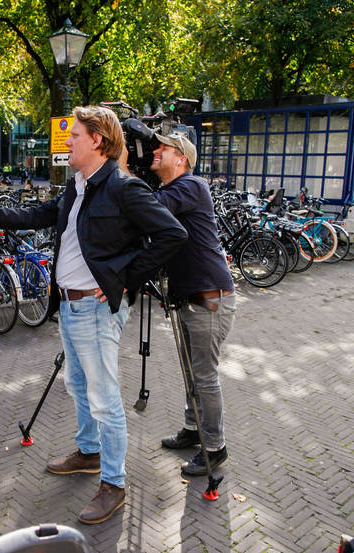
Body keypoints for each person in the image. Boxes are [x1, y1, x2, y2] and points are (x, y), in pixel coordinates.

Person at [0, 106, 187, 525]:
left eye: (75, 134)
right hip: (70, 305)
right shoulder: (78, 186)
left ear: (98, 140)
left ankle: (114, 484)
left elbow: (172, 234)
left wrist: (125, 279)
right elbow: (32, 216)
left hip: (96, 310)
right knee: (78, 384)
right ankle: (89, 453)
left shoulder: (123, 188)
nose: (68, 140)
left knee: (105, 399)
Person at [124, 132, 236, 477]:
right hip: (192, 297)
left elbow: (149, 210)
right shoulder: (176, 190)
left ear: (182, 159)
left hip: (209, 299)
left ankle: (215, 448)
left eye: (163, 148)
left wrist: (125, 170)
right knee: (191, 371)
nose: (155, 151)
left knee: (204, 376)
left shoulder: (192, 185)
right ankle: (193, 429)